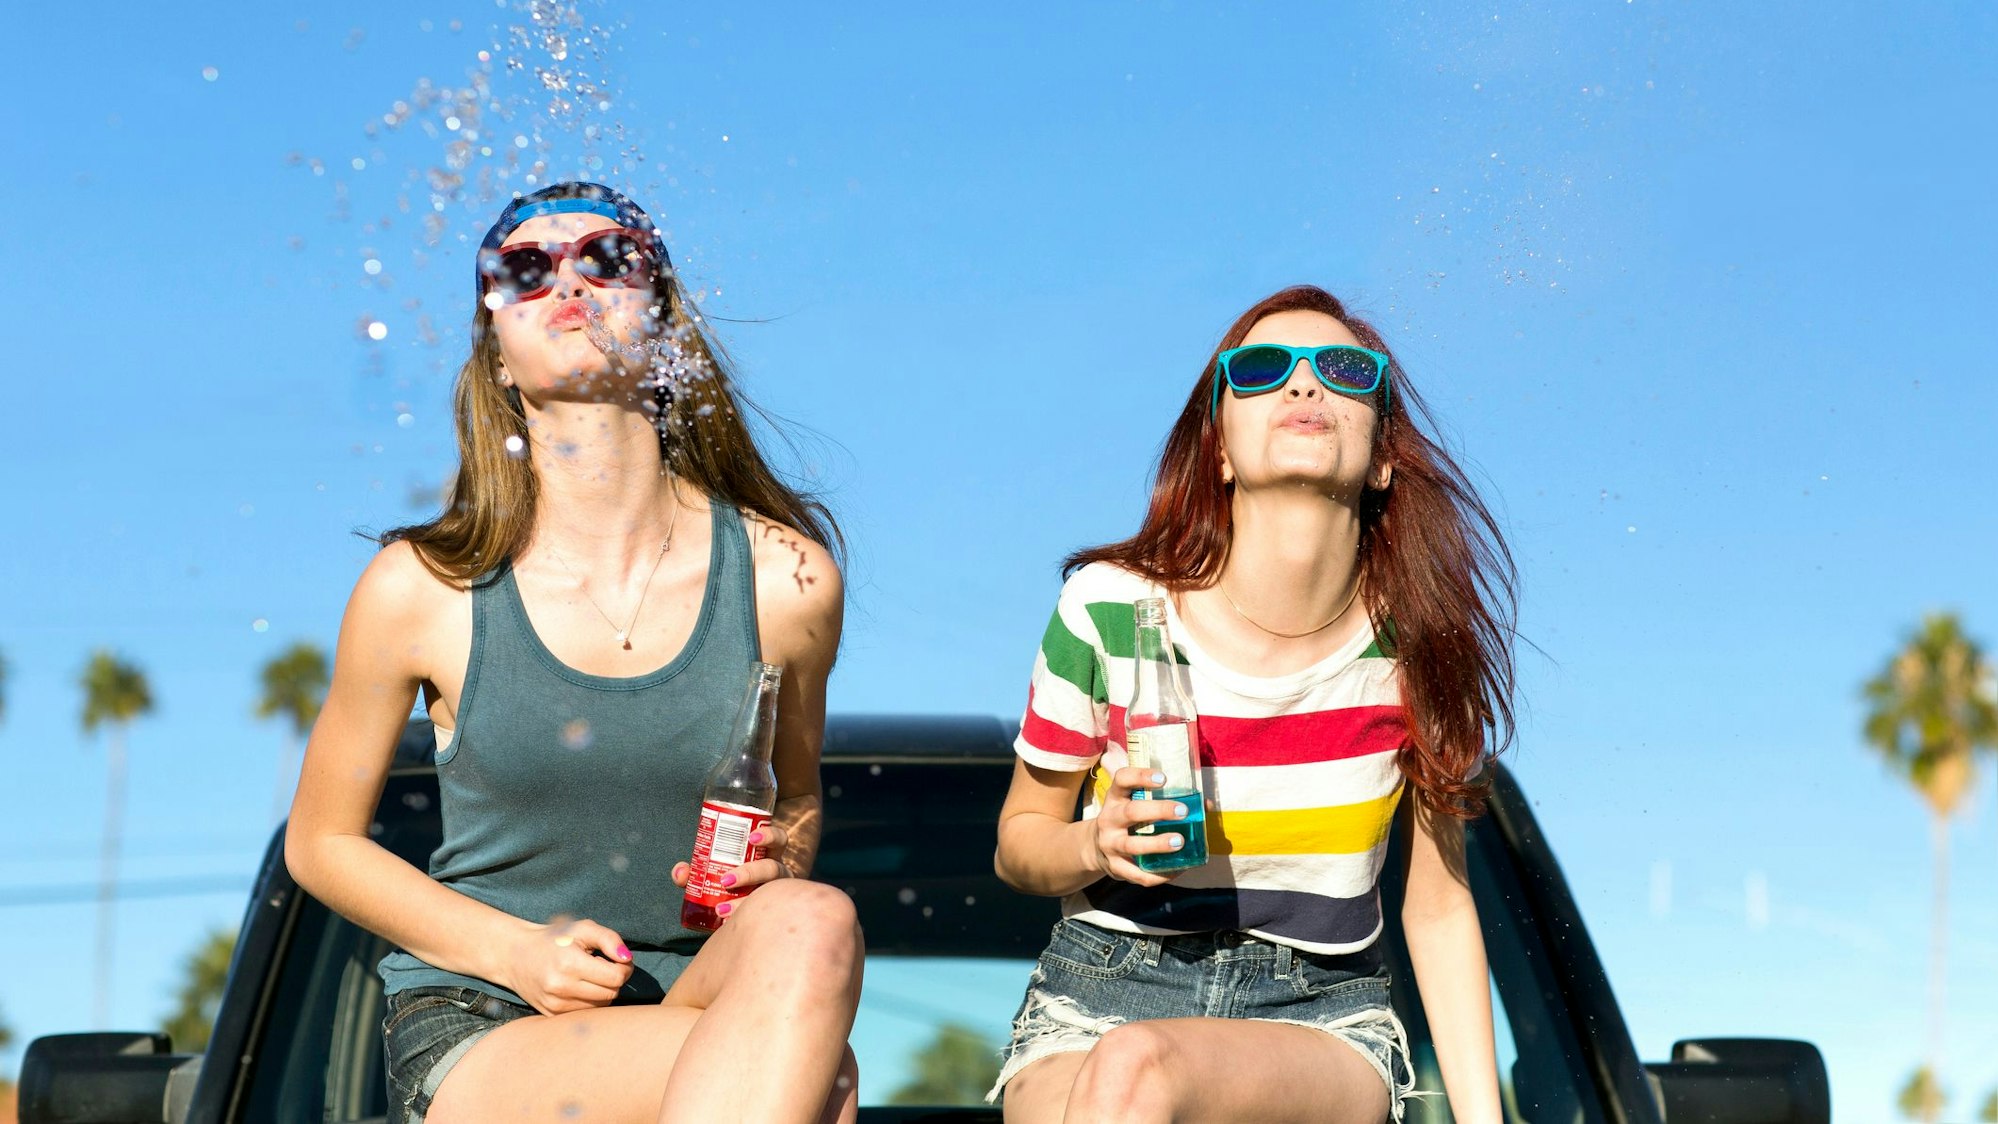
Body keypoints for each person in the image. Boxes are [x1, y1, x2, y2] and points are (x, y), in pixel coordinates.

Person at [286, 181, 860, 1124]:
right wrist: (515, 951)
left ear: (665, 321)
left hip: (706, 988)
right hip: (487, 1014)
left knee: (815, 917)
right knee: (820, 1082)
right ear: (498, 352)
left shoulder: (785, 580)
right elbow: (322, 842)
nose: (567, 282)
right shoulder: (422, 586)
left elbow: (791, 800)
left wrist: (779, 864)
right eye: (521, 269)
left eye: (609, 258)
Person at [990, 285, 1516, 1124]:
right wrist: (1096, 841)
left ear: (1382, 455)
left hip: (1320, 1015)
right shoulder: (1110, 611)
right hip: (1097, 993)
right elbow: (1019, 846)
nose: (1304, 386)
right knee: (1125, 1072)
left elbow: (1441, 905)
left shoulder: (1416, 648)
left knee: (1135, 1073)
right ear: (1221, 451)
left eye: (1345, 371)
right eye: (1263, 369)